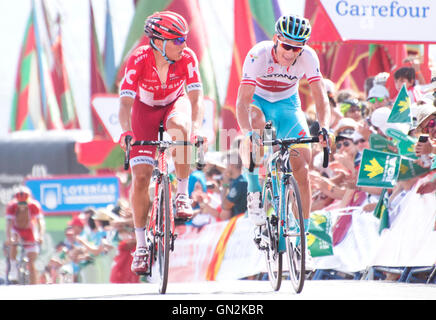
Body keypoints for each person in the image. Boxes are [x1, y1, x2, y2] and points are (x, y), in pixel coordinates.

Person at [117, 11, 205, 274]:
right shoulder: (138, 59)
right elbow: (125, 103)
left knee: (180, 129)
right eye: (177, 40)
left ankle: (181, 195)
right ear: (158, 41)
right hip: (144, 111)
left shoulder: (187, 58)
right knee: (141, 178)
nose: (184, 45)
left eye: (185, 39)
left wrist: (196, 129)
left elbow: (196, 98)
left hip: (174, 104)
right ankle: (142, 245)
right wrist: (125, 132)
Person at [236, 14, 330, 231]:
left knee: (302, 169)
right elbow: (242, 102)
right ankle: (253, 188)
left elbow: (320, 96)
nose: (290, 53)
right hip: (258, 102)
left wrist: (325, 127)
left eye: (297, 48)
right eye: (286, 46)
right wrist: (249, 134)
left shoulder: (308, 57)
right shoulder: (258, 54)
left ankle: (302, 236)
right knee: (255, 124)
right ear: (276, 39)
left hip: (288, 106)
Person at [5, 186, 45, 284]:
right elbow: (9, 224)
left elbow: (40, 223)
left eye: (24, 203)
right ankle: (13, 267)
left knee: (32, 263)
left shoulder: (34, 206)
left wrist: (40, 236)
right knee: (13, 242)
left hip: (29, 231)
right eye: (20, 203)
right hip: (17, 230)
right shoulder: (11, 206)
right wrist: (9, 237)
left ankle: (33, 285)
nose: (22, 206)